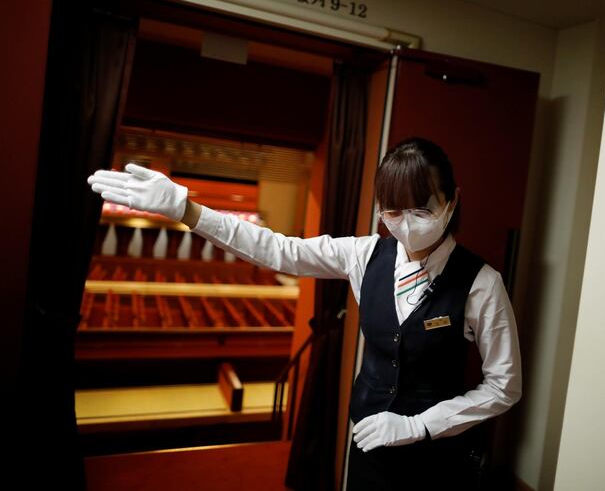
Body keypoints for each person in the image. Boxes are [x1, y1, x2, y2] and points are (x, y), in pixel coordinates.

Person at [86, 137, 523, 491]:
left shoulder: (482, 283)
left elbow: (505, 385)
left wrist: (420, 426)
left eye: (422, 209)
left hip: (436, 455)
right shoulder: (364, 254)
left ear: (452, 201)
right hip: (368, 443)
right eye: (392, 210)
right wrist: (187, 210)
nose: (406, 223)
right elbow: (280, 250)